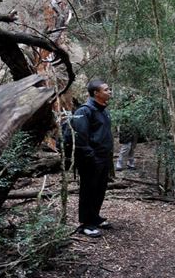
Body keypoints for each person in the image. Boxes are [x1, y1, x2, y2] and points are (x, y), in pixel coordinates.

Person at [72, 79, 113, 237]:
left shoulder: (103, 110)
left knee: (99, 190)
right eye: (106, 89)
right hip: (90, 160)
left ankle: (95, 217)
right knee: (88, 190)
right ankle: (85, 224)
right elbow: (81, 138)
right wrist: (92, 157)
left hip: (103, 158)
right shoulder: (85, 111)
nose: (109, 92)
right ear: (96, 93)